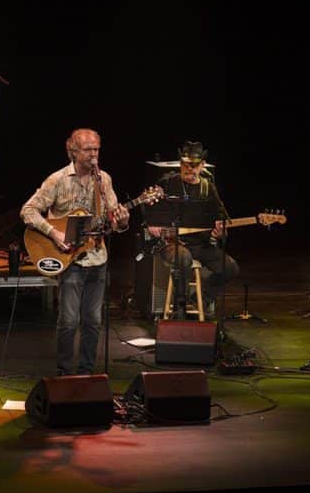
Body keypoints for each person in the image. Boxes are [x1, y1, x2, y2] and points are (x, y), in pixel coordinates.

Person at [21, 128, 130, 376]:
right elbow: (28, 211)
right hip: (70, 260)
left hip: (98, 258)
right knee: (69, 321)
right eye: (88, 150)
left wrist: (122, 221)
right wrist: (54, 233)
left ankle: (86, 374)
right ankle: (64, 373)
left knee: (93, 321)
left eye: (97, 149)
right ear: (73, 151)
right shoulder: (58, 180)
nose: (94, 154)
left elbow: (112, 219)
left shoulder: (104, 179)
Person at [147, 141, 239, 318]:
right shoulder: (167, 183)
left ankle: (200, 299)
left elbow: (221, 219)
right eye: (186, 164)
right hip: (172, 243)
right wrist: (152, 223)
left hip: (200, 244)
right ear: (180, 164)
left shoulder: (208, 187)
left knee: (230, 267)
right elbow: (149, 208)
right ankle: (180, 308)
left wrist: (221, 233)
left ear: (202, 165)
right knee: (183, 257)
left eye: (194, 165)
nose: (189, 169)